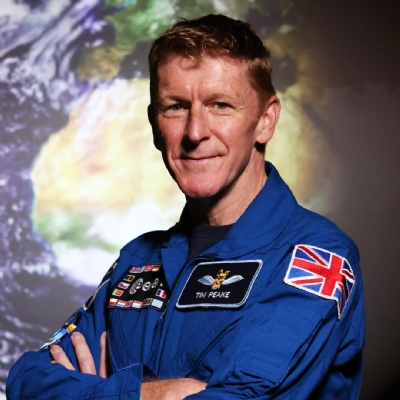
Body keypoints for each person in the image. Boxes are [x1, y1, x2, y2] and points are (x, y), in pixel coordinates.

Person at [6, 14, 365, 400]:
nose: (195, 132)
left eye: (220, 105)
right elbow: (26, 380)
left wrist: (101, 390)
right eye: (175, 107)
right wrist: (155, 394)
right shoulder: (137, 259)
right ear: (154, 124)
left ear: (265, 120)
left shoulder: (314, 257)